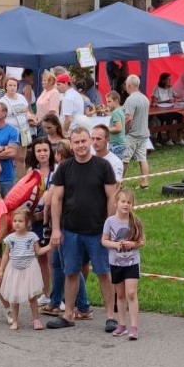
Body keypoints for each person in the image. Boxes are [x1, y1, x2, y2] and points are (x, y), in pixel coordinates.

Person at [46, 129, 119, 324]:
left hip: (98, 231)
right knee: (70, 272)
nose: (80, 145)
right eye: (76, 142)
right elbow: (56, 199)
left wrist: (111, 226)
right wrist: (55, 229)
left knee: (103, 272)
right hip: (70, 231)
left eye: (84, 141)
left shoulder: (103, 166)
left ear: (90, 142)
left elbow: (112, 197)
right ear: (71, 144)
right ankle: (68, 315)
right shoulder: (64, 168)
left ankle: (111, 317)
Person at [102, 187, 145, 339]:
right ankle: (121, 324)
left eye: (129, 202)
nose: (126, 205)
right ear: (116, 203)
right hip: (116, 262)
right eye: (123, 201)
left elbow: (142, 241)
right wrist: (114, 245)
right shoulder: (110, 221)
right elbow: (104, 240)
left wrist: (133, 245)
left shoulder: (135, 221)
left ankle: (134, 326)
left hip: (132, 262)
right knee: (120, 294)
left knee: (131, 293)